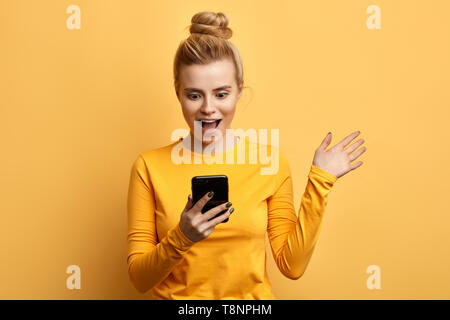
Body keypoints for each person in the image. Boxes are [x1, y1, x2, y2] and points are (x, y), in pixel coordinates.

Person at [126, 11, 367, 300]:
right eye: (194, 95)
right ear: (178, 93)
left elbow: (292, 265)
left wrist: (321, 181)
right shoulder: (148, 167)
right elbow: (139, 278)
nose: (208, 108)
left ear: (239, 91)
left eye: (221, 94)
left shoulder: (271, 164)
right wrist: (183, 236)